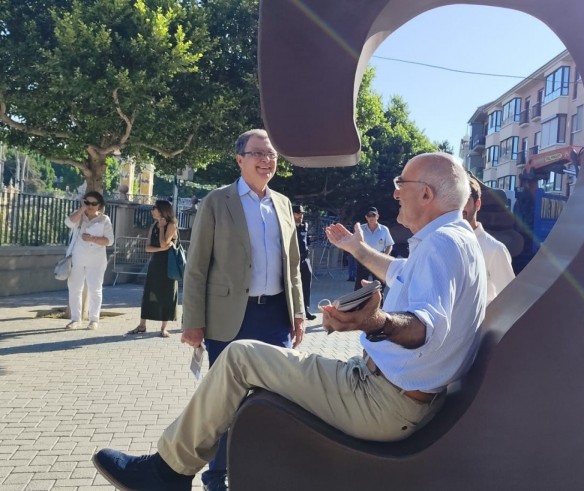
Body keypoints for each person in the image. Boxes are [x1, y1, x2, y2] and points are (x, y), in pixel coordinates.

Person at [91, 152, 487, 491]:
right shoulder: (454, 238)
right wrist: (358, 249)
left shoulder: (441, 244)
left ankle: (168, 472)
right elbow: (399, 271)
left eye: (401, 182)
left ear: (426, 193)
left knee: (240, 357)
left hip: (382, 403)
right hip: (386, 392)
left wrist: (373, 321)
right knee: (249, 361)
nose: (394, 191)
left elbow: (424, 327)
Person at [178, 129, 306, 491]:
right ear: (239, 159)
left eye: (273, 155)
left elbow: (292, 265)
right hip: (228, 319)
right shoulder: (218, 201)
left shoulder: (282, 203)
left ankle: (263, 469)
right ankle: (216, 475)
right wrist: (193, 322)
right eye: (259, 154)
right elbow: (197, 266)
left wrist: (298, 314)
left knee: (273, 400)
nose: (267, 161)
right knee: (225, 404)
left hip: (275, 318)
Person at [127, 200, 179, 338]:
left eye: (154, 208)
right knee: (148, 293)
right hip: (155, 263)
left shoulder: (172, 224)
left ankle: (164, 328)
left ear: (162, 210)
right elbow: (148, 247)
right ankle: (142, 325)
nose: (152, 210)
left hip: (168, 265)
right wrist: (161, 248)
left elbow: (164, 242)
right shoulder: (153, 225)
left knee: (167, 294)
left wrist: (162, 228)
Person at [64, 191, 114, 330]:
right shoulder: (79, 216)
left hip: (96, 260)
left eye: (94, 203)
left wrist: (93, 239)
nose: (90, 206)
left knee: (95, 289)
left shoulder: (104, 219)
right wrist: (81, 209)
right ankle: (75, 319)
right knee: (74, 289)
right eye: (87, 202)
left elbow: (110, 241)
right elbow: (68, 223)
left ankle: (94, 319)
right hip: (77, 258)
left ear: (100, 205)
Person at [463, 176, 515, 303]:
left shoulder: (494, 250)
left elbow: (509, 300)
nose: (459, 207)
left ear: (478, 204)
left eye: (465, 200)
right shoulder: (442, 245)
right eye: (455, 200)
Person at [354, 206, 394, 290]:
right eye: (369, 215)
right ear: (366, 217)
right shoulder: (361, 229)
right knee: (360, 284)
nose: (371, 218)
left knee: (379, 285)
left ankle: (379, 302)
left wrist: (385, 257)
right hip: (364, 257)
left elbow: (389, 244)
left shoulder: (384, 229)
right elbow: (355, 243)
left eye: (373, 215)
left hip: (379, 258)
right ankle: (360, 302)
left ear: (377, 216)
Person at [292, 204, 317, 320]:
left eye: (301, 214)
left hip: (304, 259)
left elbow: (306, 241)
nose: (300, 216)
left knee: (306, 284)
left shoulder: (304, 226)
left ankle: (305, 309)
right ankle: (292, 311)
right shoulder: (288, 226)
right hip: (292, 260)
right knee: (292, 286)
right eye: (298, 213)